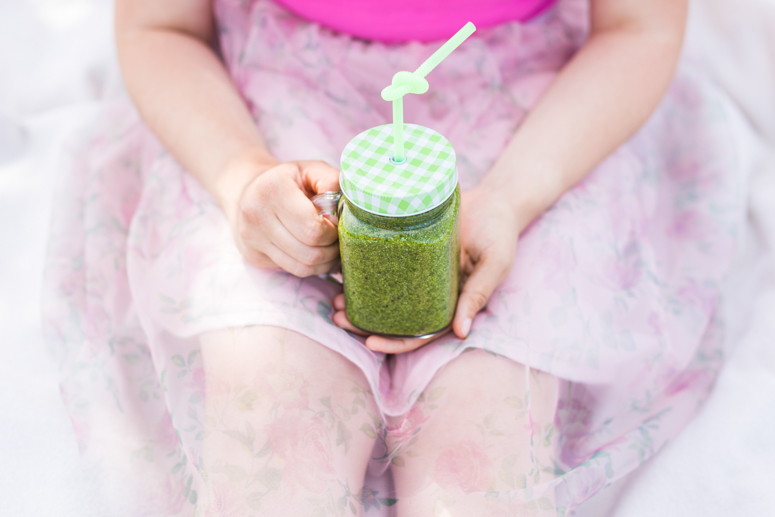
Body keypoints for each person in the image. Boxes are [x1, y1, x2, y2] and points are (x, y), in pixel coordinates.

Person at [44, 0, 746, 514]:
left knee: (475, 457)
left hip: (538, 125)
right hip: (272, 100)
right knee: (276, 435)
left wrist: (510, 195)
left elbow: (638, 27)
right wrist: (241, 179)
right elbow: (160, 25)